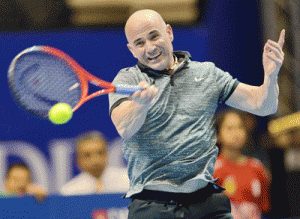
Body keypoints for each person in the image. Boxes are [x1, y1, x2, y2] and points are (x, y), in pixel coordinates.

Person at [108, 9, 285, 219]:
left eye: (154, 36)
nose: (150, 47)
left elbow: (262, 105)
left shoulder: (207, 74)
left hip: (207, 202)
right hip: (154, 204)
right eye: (139, 43)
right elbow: (124, 128)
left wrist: (271, 75)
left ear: (169, 32)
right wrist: (140, 104)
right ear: (131, 49)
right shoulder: (127, 79)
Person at [214, 109, 271, 219]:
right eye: (230, 128)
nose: (236, 133)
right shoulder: (212, 169)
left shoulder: (257, 167)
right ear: (218, 135)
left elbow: (264, 207)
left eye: (240, 127)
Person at [60, 130, 129, 196]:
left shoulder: (129, 181)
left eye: (100, 153)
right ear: (79, 160)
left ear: (107, 154)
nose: (95, 160)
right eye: (87, 155)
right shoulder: (69, 192)